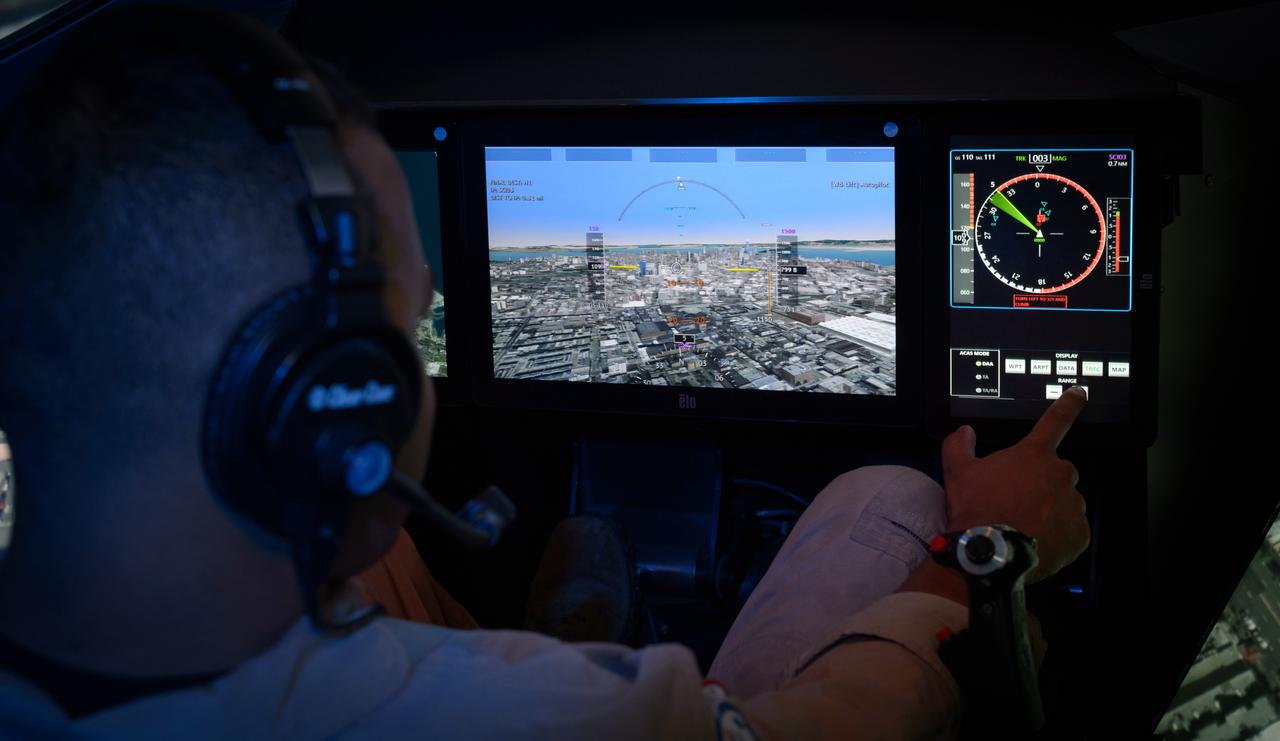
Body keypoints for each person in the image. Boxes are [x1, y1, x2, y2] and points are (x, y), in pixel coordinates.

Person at [0, 9, 1089, 739]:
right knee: (889, 493)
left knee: (447, 565)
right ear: (335, 404)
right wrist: (983, 556)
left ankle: (564, 625)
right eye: (412, 332)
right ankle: (577, 641)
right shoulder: (549, 724)